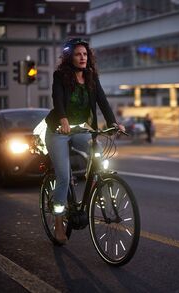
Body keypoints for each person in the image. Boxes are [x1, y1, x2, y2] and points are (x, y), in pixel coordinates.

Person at [44, 38, 124, 244]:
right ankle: (60, 223)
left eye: (85, 54)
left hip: (79, 130)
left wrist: (113, 123)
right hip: (58, 131)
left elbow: (103, 101)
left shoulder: (91, 77)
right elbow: (57, 99)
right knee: (63, 176)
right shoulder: (60, 76)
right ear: (70, 57)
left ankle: (95, 179)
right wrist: (62, 118)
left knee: (96, 153)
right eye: (78, 54)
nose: (82, 57)